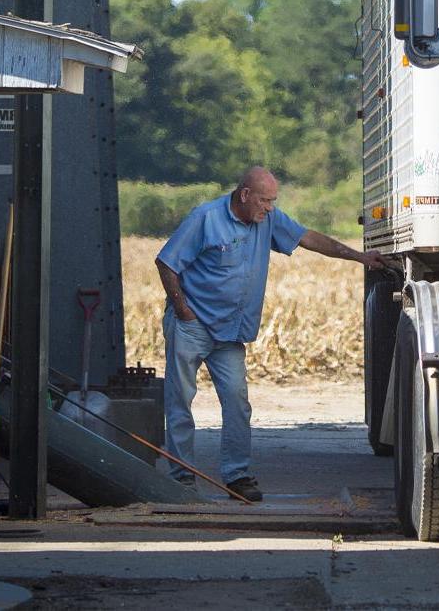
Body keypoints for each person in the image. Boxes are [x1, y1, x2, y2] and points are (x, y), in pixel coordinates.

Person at [154, 165, 391, 502]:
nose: (269, 208)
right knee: (180, 402)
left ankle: (237, 477)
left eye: (272, 201)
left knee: (237, 403)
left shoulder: (268, 221)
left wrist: (360, 258)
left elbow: (309, 238)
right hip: (192, 325)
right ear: (244, 195)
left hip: (230, 333)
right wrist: (182, 310)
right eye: (264, 201)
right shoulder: (205, 218)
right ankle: (181, 479)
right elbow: (166, 263)